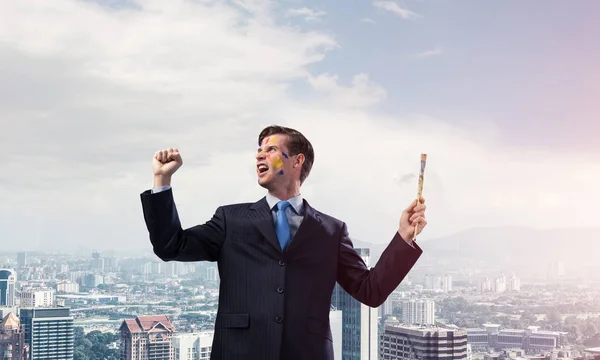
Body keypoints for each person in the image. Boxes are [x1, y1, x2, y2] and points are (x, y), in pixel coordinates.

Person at [140, 125, 426, 360]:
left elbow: (370, 290)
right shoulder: (231, 219)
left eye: (270, 149)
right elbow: (170, 245)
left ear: (297, 161)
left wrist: (403, 237)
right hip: (239, 352)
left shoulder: (331, 230)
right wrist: (161, 180)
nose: (259, 156)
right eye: (258, 150)